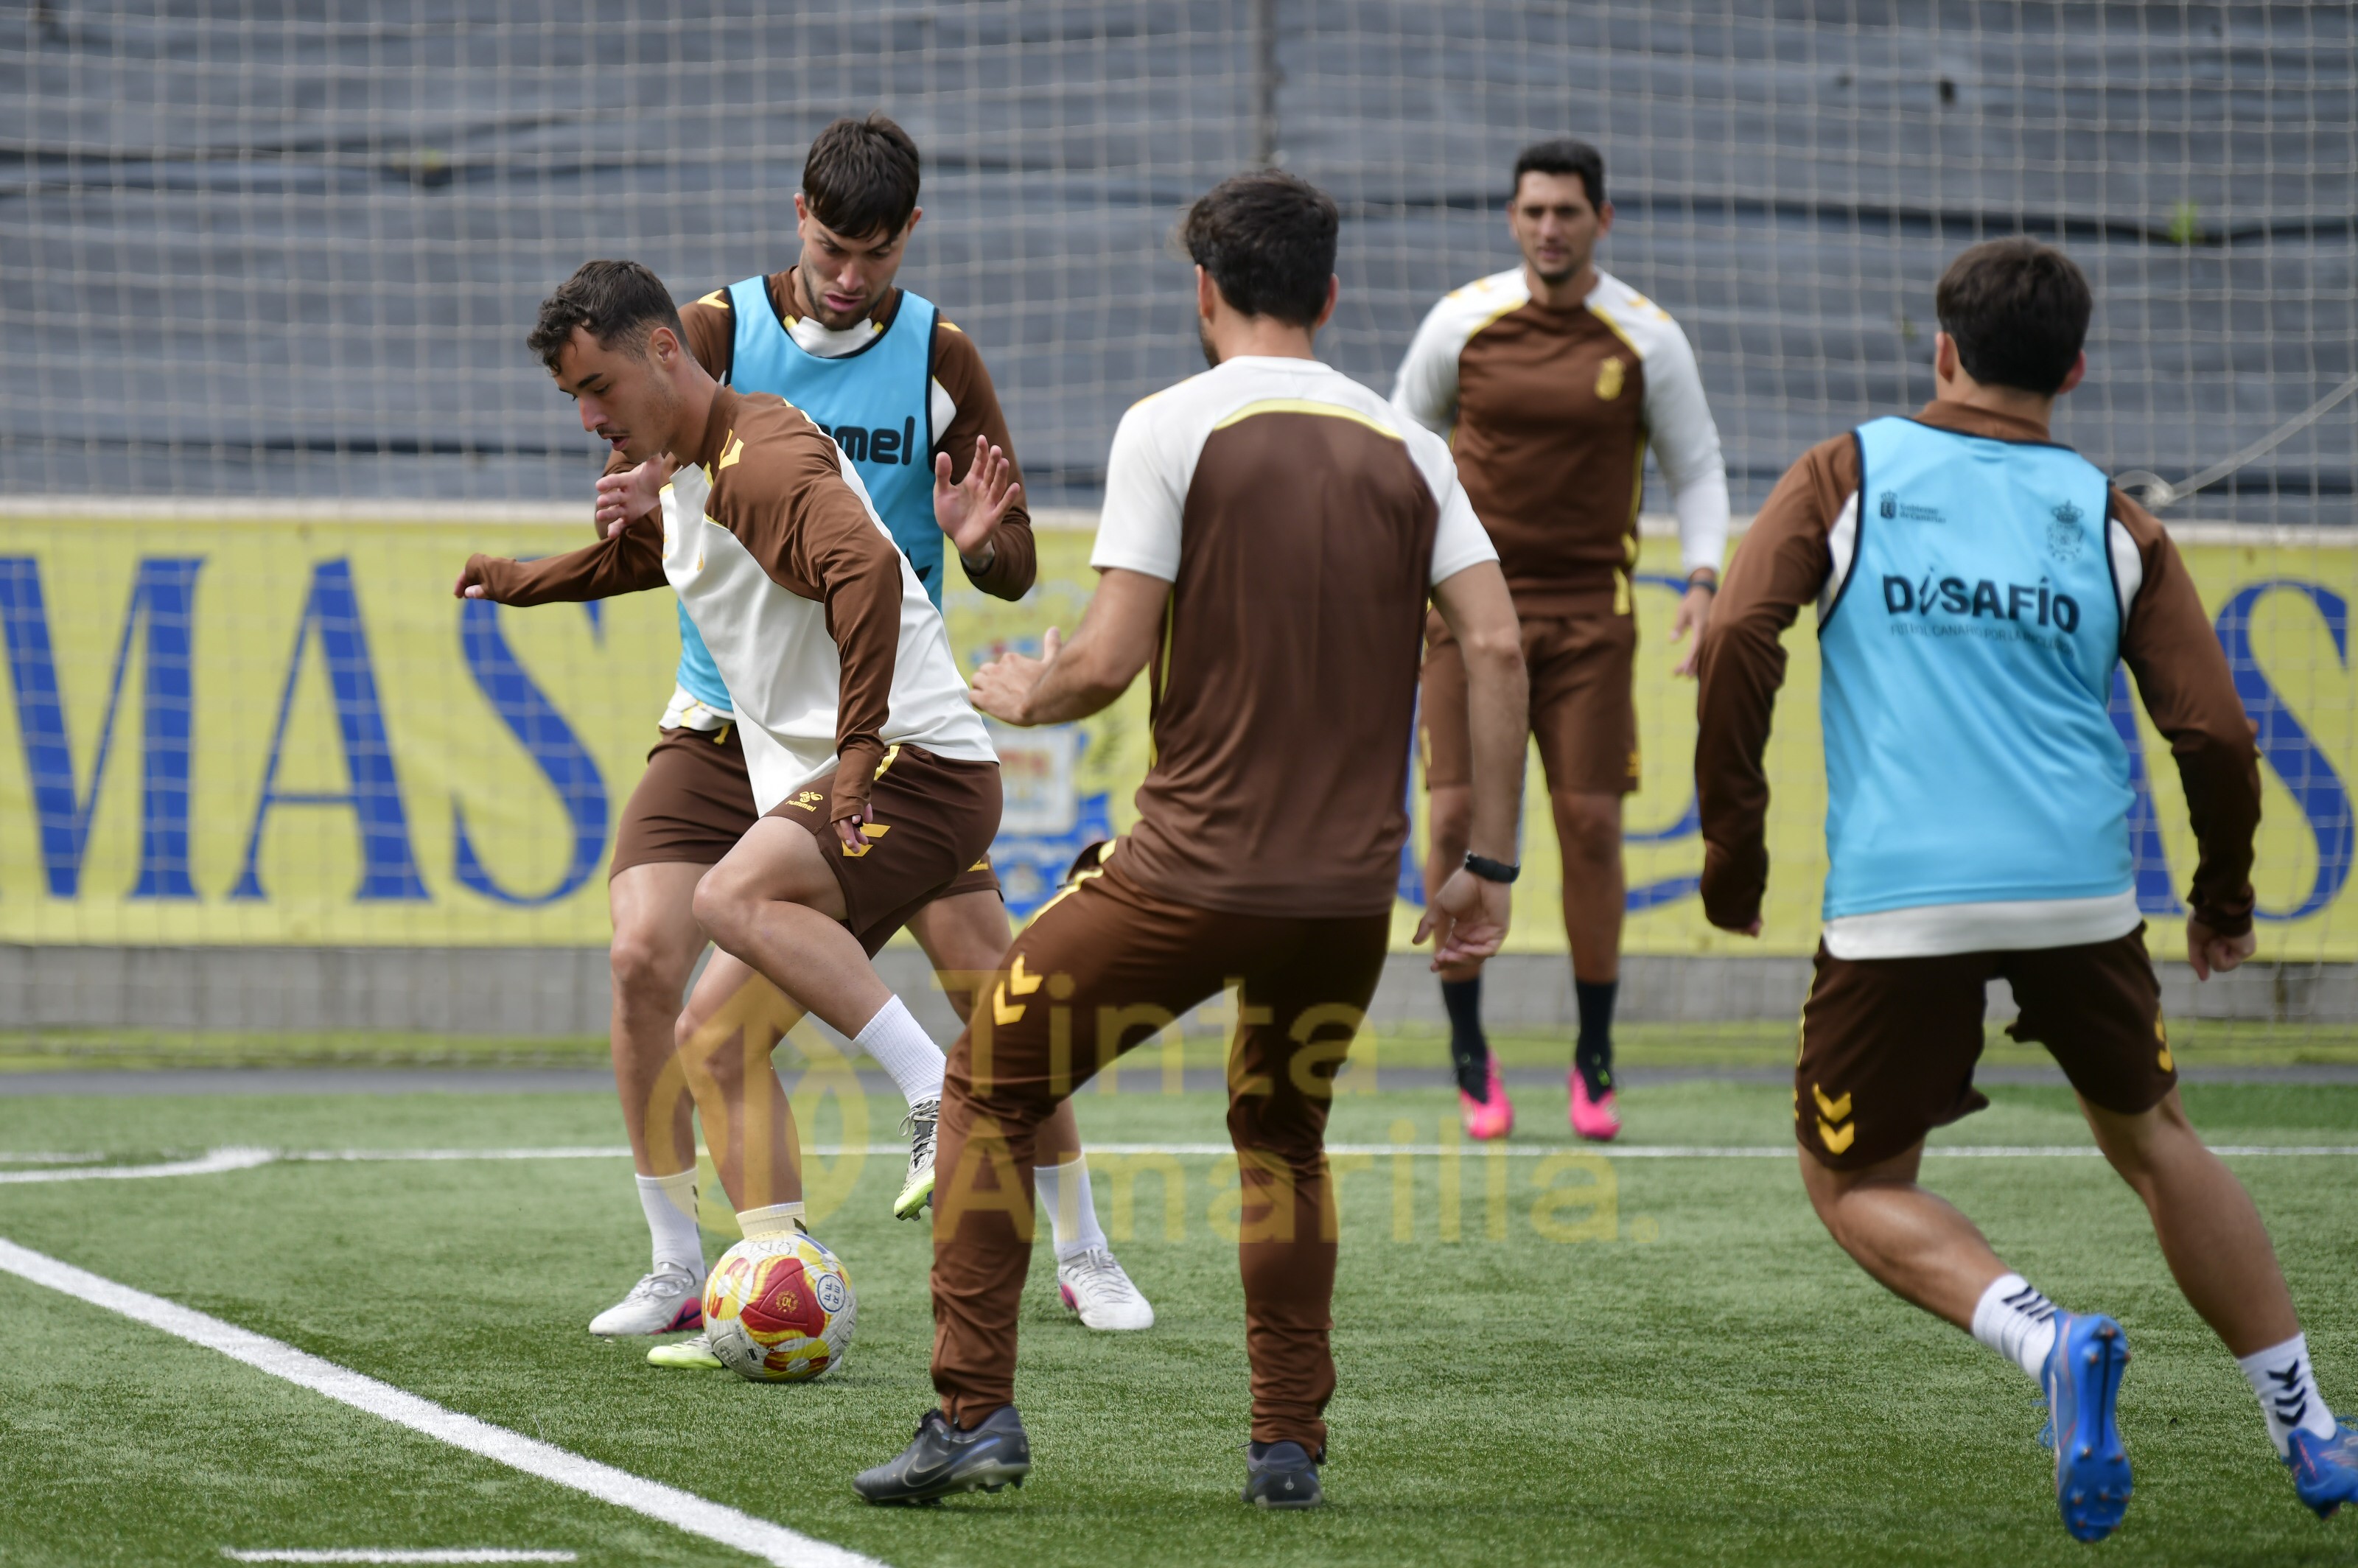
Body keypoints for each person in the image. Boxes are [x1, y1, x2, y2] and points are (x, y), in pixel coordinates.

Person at [851, 172, 1528, 1508]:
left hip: (1187, 881)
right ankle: (1287, 1446)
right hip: (1341, 900)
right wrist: (1487, 866)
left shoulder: (1171, 424)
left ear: (1204, 293)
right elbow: (1498, 643)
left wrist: (1021, 690)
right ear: (1332, 296)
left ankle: (972, 1412)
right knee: (1284, 1140)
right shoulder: (1411, 446)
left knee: (991, 1087)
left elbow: (1102, 664)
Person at [1693, 237, 2358, 1539]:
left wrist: (1738, 849)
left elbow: (1731, 638)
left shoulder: (1850, 471)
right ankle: (2313, 1427)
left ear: (1942, 352)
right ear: (2075, 369)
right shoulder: (2115, 516)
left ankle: (2044, 1338)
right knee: (2155, 1139)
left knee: (1856, 1184)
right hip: (2080, 896)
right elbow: (2219, 735)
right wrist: (2224, 900)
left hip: (1905, 902)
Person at [455, 262, 1140, 1364]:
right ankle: (763, 1286)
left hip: (909, 770)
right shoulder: (687, 465)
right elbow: (660, 559)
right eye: (571, 399)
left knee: (746, 900)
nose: (587, 418)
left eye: (597, 389)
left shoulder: (763, 451)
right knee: (712, 1035)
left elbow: (867, 566)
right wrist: (521, 579)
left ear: (665, 353)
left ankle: (952, 1118)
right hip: (844, 774)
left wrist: (864, 749)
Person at [1393, 137, 1730, 1143]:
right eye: (1534, 210)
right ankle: (1467, 1051)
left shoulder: (1646, 338)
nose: (1550, 228)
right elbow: (1400, 447)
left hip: (1592, 619)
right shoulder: (1460, 323)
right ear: (1512, 218)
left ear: (1602, 221)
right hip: (1462, 615)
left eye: (1568, 213)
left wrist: (1705, 579)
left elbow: (1699, 469)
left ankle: (1594, 1052)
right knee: (1451, 818)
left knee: (1589, 830)